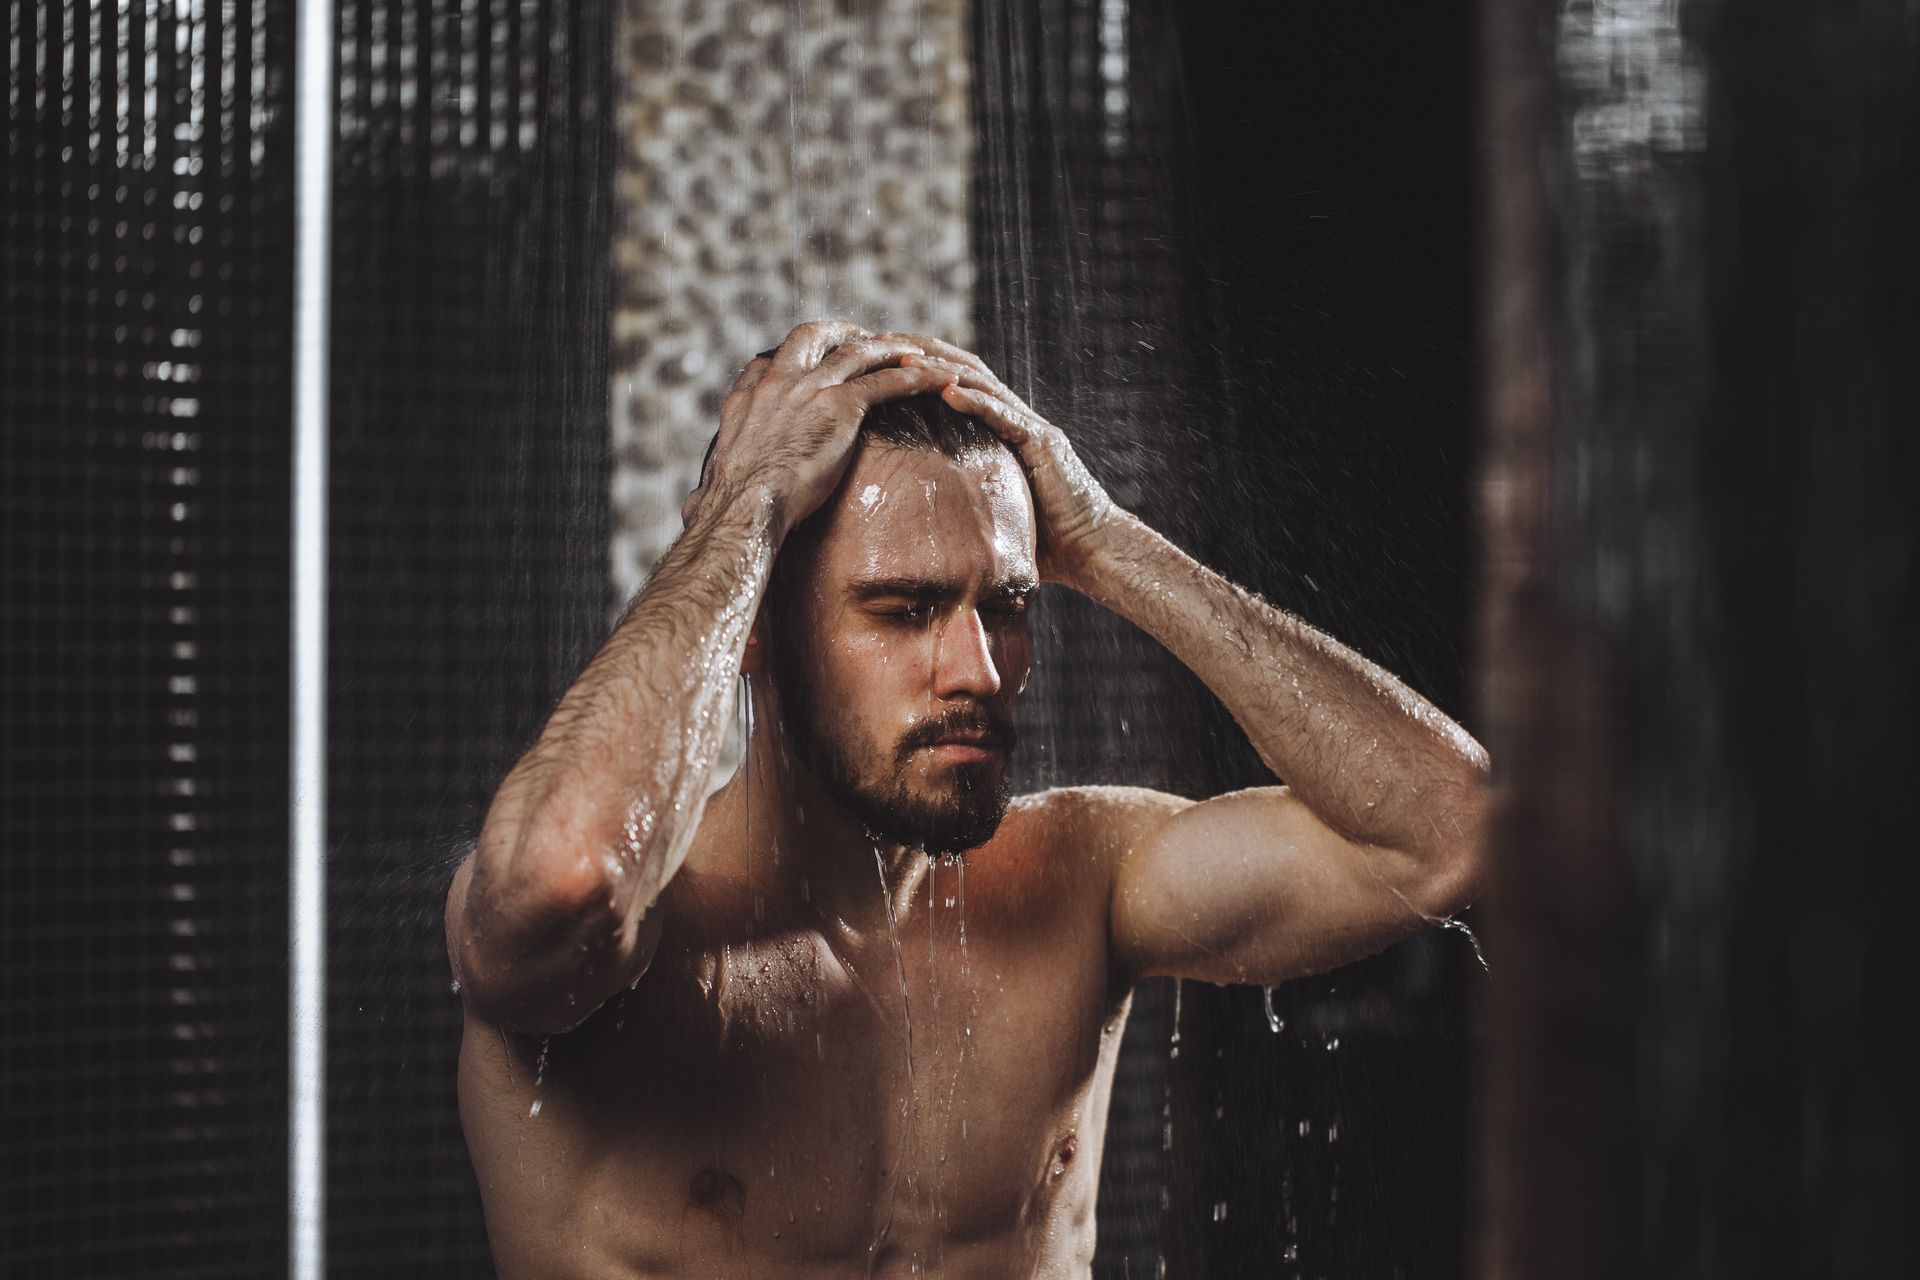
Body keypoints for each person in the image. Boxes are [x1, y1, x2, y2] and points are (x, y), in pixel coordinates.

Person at [445, 320, 1491, 1278]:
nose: (981, 669)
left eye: (1009, 605)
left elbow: (1447, 833)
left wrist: (1108, 540)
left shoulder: (1082, 879)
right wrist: (745, 511)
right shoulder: (638, 949)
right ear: (754, 624)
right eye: (905, 611)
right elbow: (563, 877)